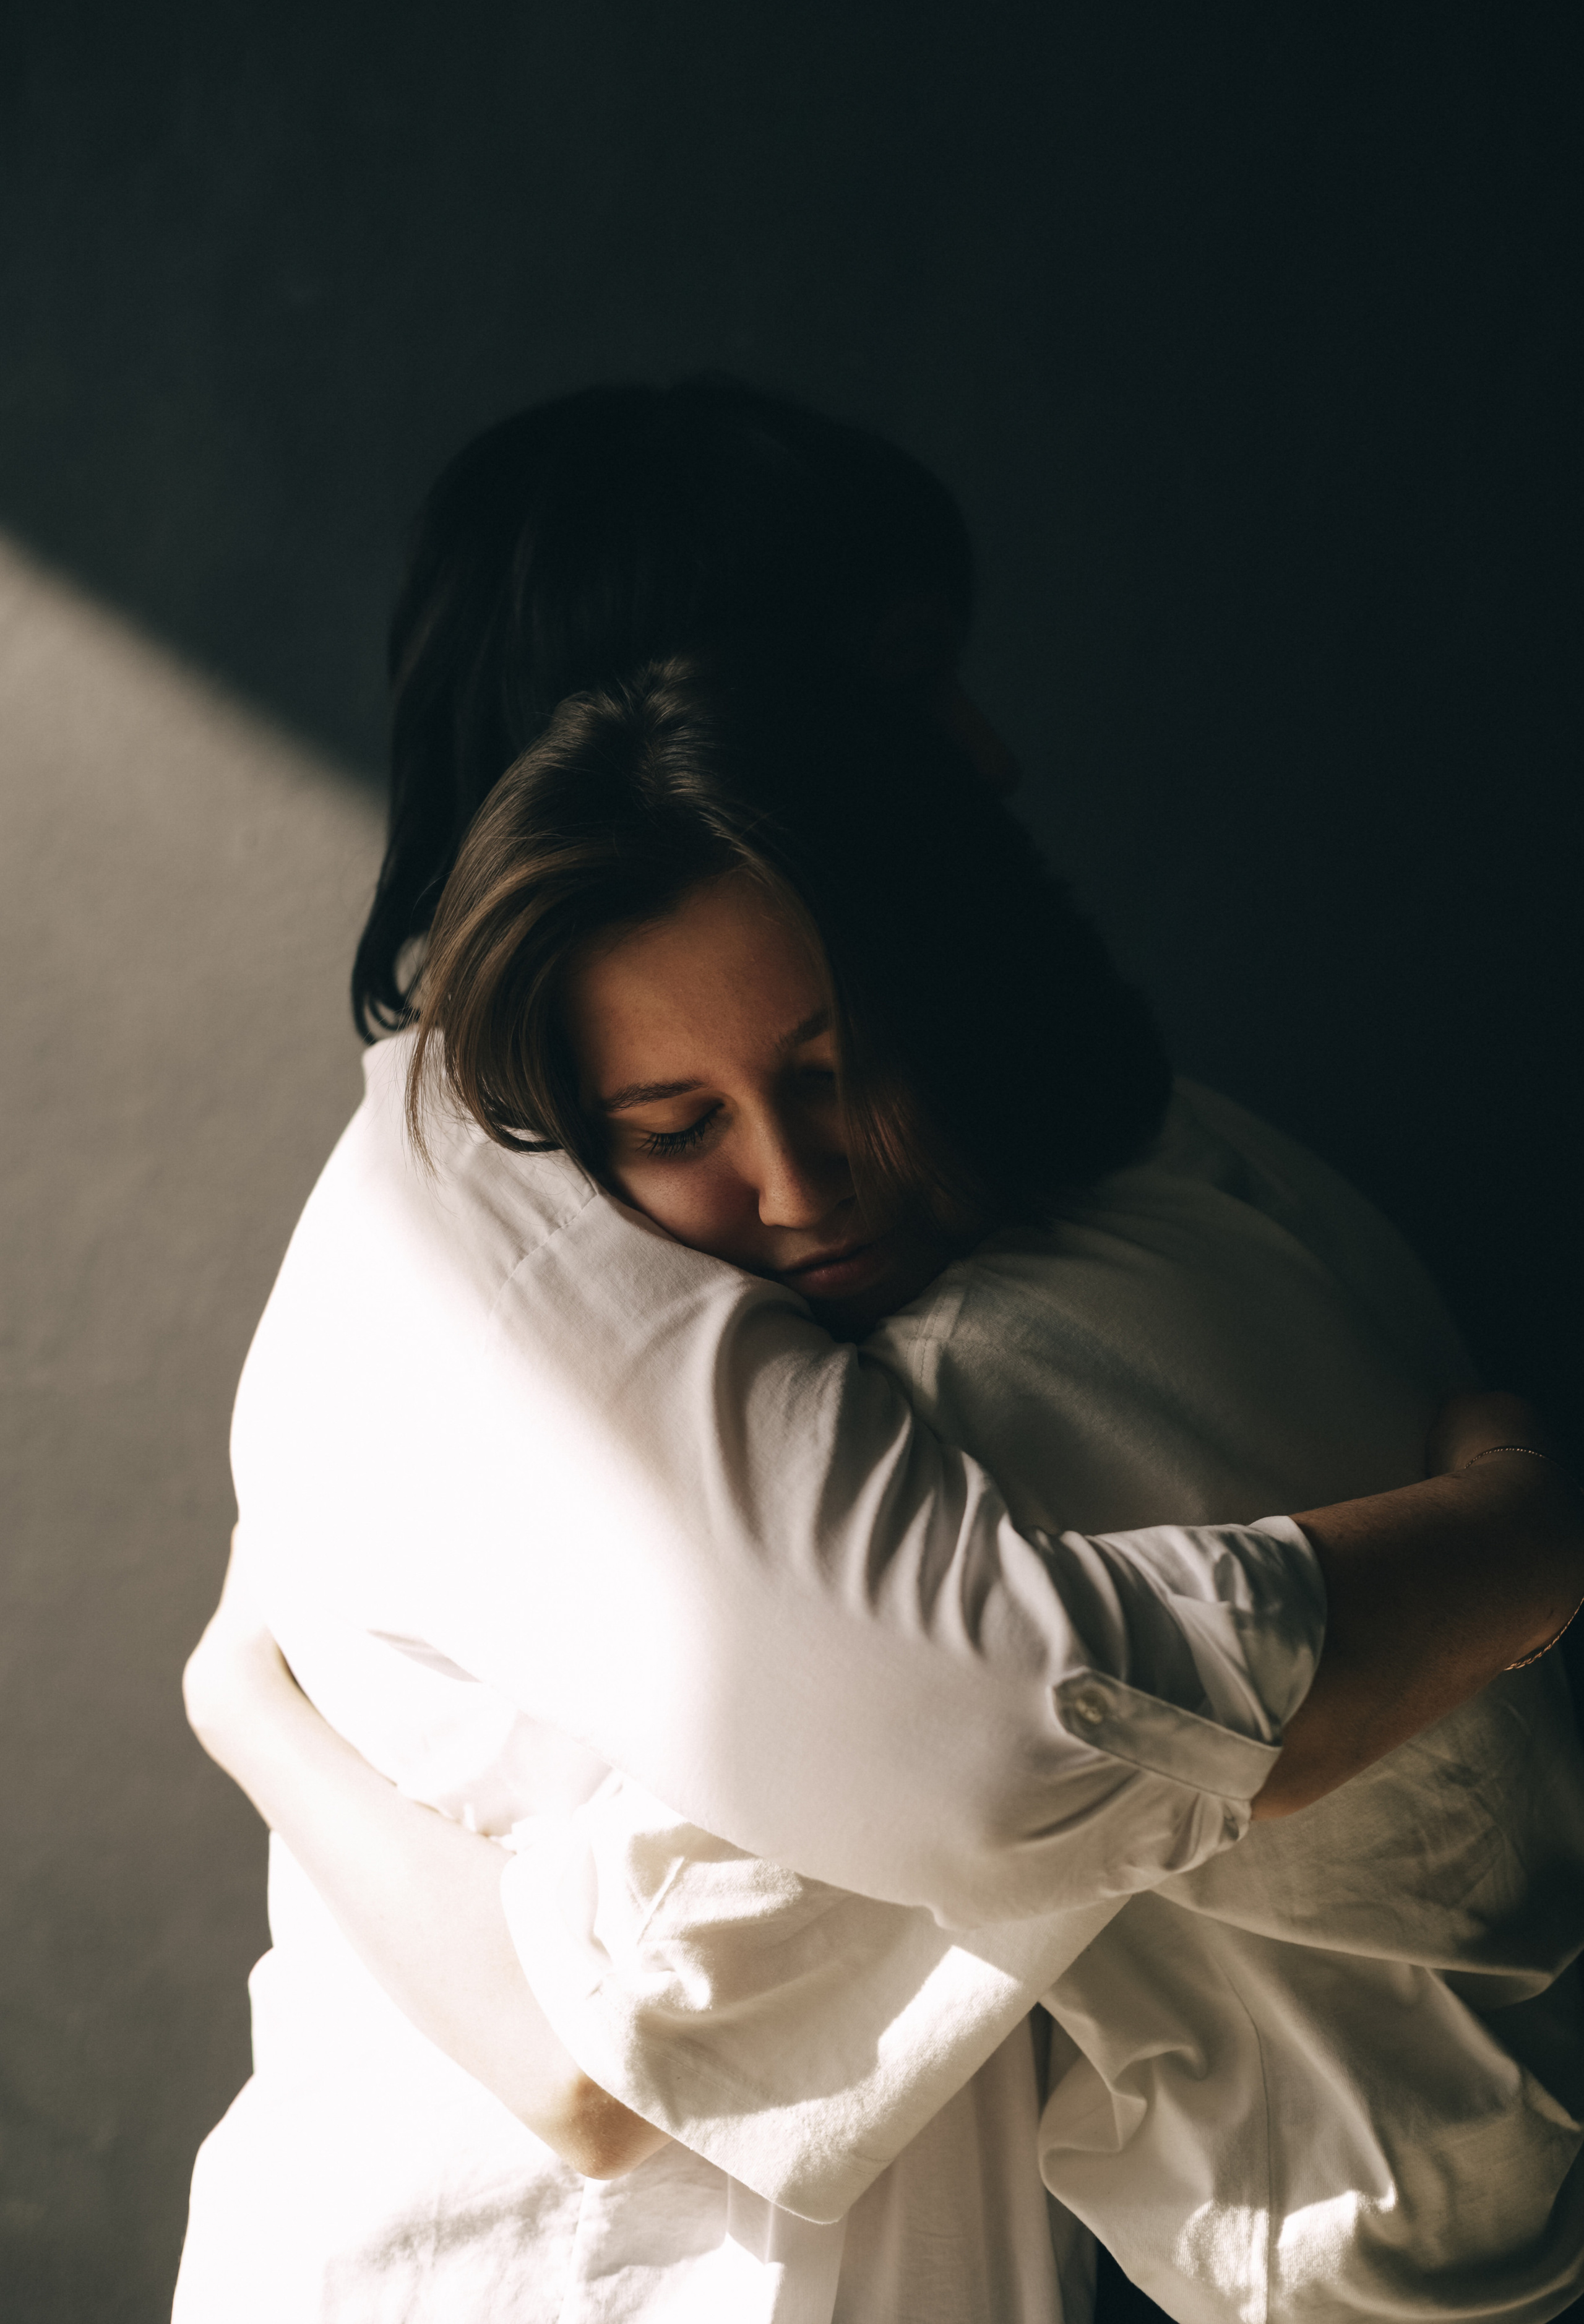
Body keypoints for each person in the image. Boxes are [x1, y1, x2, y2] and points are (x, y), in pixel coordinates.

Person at [176, 647, 1584, 2321]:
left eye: (830, 1068)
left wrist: (236, 1702)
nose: (792, 1184)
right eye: (676, 1125)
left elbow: (597, 2063)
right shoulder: (1212, 1191)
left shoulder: (977, 1426)